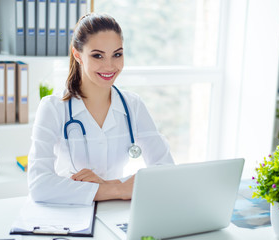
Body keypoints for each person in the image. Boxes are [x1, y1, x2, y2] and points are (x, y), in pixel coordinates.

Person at [28, 13, 174, 205]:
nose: (109, 66)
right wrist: (120, 189)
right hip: (68, 214)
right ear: (77, 55)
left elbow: (166, 171)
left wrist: (106, 186)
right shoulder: (53, 108)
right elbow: (39, 186)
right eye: (98, 55)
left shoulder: (133, 105)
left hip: (116, 211)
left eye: (117, 54)